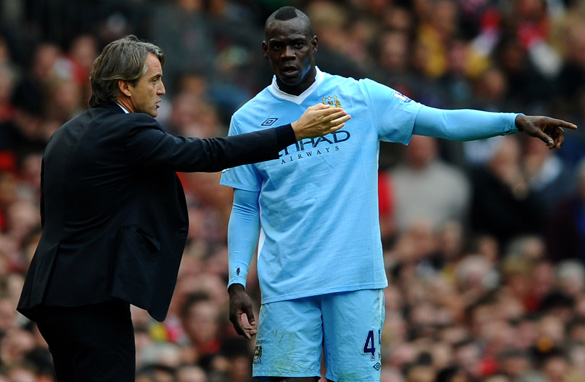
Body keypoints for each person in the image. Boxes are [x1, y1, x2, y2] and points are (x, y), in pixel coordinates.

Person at [219, 6, 578, 382]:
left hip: (354, 279)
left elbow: (440, 120)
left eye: (296, 44)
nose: (288, 54)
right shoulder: (247, 119)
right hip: (286, 283)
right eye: (278, 46)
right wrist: (237, 281)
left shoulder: (360, 97)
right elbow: (245, 208)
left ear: (314, 44)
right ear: (264, 50)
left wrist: (513, 121)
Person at [15, 35, 350, 382]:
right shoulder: (129, 128)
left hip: (50, 292)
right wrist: (292, 132)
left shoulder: (64, 134)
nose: (162, 90)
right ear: (125, 87)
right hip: (92, 295)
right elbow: (205, 153)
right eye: (154, 79)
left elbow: (52, 213)